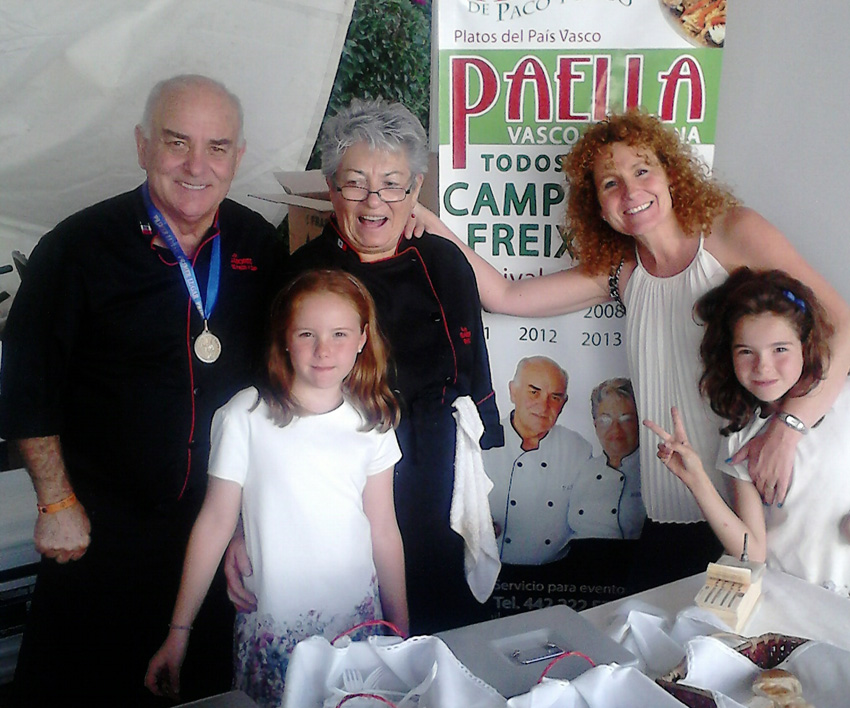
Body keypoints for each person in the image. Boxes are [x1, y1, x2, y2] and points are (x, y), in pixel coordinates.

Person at [415, 110, 850, 590]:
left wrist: (787, 430)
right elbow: (503, 295)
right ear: (598, 207)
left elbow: (840, 325)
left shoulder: (731, 233)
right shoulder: (621, 272)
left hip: (752, 511)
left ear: (671, 173)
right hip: (668, 512)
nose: (630, 192)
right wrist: (427, 222)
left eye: (642, 171)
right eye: (610, 184)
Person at [0, 74, 286, 706]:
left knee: (202, 690)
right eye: (176, 142)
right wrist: (54, 502)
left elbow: (280, 382)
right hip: (98, 531)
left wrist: (248, 521)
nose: (195, 165)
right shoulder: (76, 248)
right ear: (142, 145)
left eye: (217, 147)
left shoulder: (258, 246)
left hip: (213, 527)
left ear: (238, 156)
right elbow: (27, 380)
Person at [225, 98, 502, 635]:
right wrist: (243, 523)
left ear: (415, 190)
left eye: (393, 184)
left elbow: (472, 366)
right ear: (331, 188)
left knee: (444, 628)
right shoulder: (300, 278)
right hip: (337, 487)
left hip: (436, 476)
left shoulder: (446, 262)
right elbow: (264, 407)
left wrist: (476, 485)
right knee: (355, 639)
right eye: (356, 183)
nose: (375, 201)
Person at [145, 269, 408, 707]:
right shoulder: (245, 415)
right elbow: (214, 522)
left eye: (340, 334)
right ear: (285, 338)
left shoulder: (373, 421)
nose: (324, 350)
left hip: (358, 628)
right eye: (307, 333)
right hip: (274, 633)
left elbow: (383, 529)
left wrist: (401, 627)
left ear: (363, 338)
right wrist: (178, 634)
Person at [646, 268, 850, 597]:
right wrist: (696, 478)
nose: (763, 367)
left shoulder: (844, 401)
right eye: (746, 352)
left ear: (805, 345)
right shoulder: (739, 437)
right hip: (789, 603)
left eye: (780, 349)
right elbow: (752, 553)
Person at [485, 356, 592, 564]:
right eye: (534, 392)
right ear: (512, 392)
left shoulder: (578, 449)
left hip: (556, 577)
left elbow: (587, 518)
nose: (544, 406)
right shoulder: (482, 440)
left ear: (564, 403)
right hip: (489, 573)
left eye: (555, 397)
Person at [568, 378, 644, 541]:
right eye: (605, 420)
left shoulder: (652, 471)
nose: (615, 430)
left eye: (626, 419)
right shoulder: (582, 470)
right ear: (595, 425)